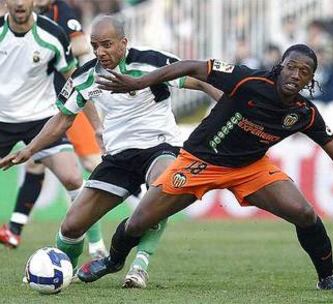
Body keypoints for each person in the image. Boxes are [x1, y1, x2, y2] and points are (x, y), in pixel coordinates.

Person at [68, 44, 333, 291]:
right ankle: (113, 261)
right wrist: (139, 82)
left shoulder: (304, 112)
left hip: (250, 168)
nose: (296, 74)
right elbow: (191, 66)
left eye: (304, 72)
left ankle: (328, 278)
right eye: (291, 66)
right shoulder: (247, 81)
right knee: (141, 220)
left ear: (310, 80)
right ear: (280, 66)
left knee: (303, 212)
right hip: (200, 161)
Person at [0, 15, 222, 288]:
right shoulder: (87, 77)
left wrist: (228, 108)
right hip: (118, 157)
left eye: (106, 44)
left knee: (160, 190)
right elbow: (62, 119)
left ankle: (140, 265)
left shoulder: (151, 61)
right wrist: (30, 149)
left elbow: (200, 80)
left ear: (123, 42)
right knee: (71, 226)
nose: (100, 52)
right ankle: (63, 271)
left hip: (160, 146)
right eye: (95, 46)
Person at [0, 0, 107, 259]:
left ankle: (96, 246)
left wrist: (97, 127)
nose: (19, 3)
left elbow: (76, 81)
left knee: (73, 177)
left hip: (41, 120)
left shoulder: (52, 34)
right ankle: (14, 228)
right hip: (2, 119)